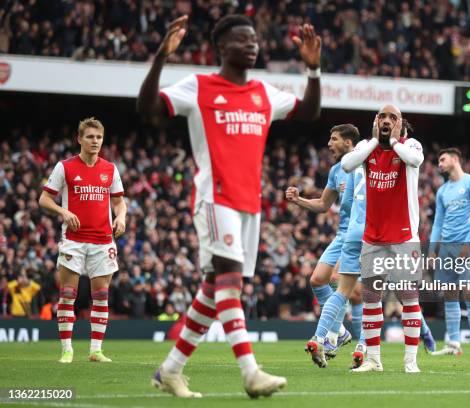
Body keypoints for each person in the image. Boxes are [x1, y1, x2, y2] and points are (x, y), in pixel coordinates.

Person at [137, 14, 321, 398]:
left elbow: (309, 113)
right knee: (230, 279)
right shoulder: (200, 86)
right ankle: (250, 372)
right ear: (223, 47)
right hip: (213, 196)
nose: (252, 45)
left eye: (254, 40)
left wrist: (314, 69)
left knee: (212, 287)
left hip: (248, 202)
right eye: (242, 40)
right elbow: (149, 108)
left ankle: (170, 370)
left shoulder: (263, 92)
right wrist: (160, 57)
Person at [342, 106, 424, 374]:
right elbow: (346, 164)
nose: (387, 121)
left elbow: (414, 161)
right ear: (375, 121)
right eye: (382, 117)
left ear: (400, 123)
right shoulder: (367, 146)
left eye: (393, 118)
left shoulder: (410, 144)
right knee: (370, 297)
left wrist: (393, 141)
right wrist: (378, 140)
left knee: (408, 297)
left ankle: (410, 360)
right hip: (373, 237)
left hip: (404, 236)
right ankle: (374, 359)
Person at [39, 117, 126, 364]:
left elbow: (119, 202)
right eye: (90, 137)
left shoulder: (110, 169)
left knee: (101, 295)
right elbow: (44, 199)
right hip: (74, 239)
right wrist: (63, 212)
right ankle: (67, 350)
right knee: (68, 294)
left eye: (98, 137)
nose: (95, 141)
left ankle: (95, 350)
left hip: (103, 240)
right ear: (80, 139)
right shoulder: (65, 167)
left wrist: (121, 218)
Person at [285, 124, 360, 359]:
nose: (329, 144)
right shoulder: (337, 170)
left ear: (348, 143)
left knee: (340, 282)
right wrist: (299, 200)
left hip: (361, 234)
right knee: (317, 280)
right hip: (342, 234)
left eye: (334, 138)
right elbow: (323, 204)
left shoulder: (366, 166)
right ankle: (339, 331)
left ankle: (329, 338)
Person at [429, 148, 470, 357]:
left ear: (455, 159)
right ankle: (454, 343)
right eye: (438, 161)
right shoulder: (442, 191)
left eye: (442, 160)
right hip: (446, 248)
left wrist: (469, 243)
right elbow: (437, 223)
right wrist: (432, 250)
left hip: (468, 245)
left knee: (469, 291)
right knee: (450, 294)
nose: (440, 164)